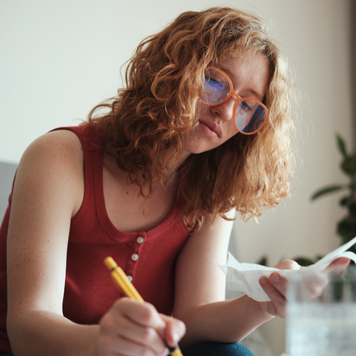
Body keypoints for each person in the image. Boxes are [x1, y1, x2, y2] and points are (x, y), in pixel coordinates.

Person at [0, 6, 349, 356]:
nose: (226, 112)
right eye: (215, 81)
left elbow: (193, 320)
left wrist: (264, 302)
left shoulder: (214, 187)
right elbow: (27, 327)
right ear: (172, 70)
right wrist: (102, 344)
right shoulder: (60, 157)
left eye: (248, 106)